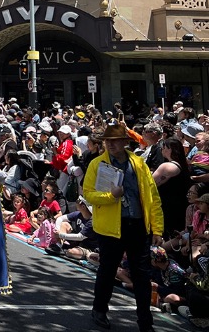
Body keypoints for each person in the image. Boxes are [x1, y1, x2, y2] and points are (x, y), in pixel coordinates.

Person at [83, 121, 163, 332]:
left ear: (125, 142)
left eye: (115, 141)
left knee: (142, 275)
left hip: (137, 226)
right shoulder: (96, 164)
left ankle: (145, 321)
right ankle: (99, 310)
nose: (110, 145)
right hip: (110, 229)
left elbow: (152, 197)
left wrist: (157, 229)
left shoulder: (139, 163)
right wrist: (111, 196)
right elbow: (88, 194)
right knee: (107, 271)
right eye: (108, 141)